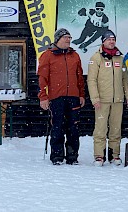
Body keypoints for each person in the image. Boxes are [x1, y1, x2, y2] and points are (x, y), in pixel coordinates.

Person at [38, 28, 85, 165]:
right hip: (56, 97)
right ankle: (57, 156)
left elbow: (79, 78)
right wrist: (43, 97)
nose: (68, 40)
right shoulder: (47, 55)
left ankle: (72, 156)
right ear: (58, 39)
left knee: (73, 128)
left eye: (70, 37)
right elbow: (42, 78)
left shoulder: (75, 56)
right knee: (57, 127)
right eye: (66, 37)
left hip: (73, 97)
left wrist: (81, 94)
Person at [87, 30, 128, 166]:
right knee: (100, 129)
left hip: (117, 99)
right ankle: (99, 156)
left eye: (113, 39)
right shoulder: (96, 58)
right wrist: (95, 98)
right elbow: (91, 80)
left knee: (116, 129)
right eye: (109, 39)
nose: (111, 42)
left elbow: (125, 78)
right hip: (102, 100)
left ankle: (114, 155)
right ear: (103, 41)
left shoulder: (120, 57)